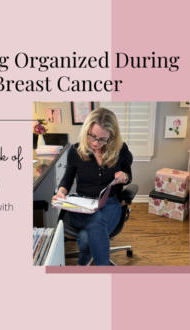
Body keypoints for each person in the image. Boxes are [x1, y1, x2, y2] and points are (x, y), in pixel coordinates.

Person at [53, 108, 132, 266]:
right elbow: (67, 179)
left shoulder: (121, 150)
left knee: (84, 239)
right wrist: (61, 193)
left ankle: (82, 264)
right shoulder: (75, 151)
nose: (96, 143)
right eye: (92, 136)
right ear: (86, 131)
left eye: (103, 139)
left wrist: (124, 177)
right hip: (81, 205)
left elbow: (129, 177)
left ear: (112, 136)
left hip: (109, 203)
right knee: (94, 219)